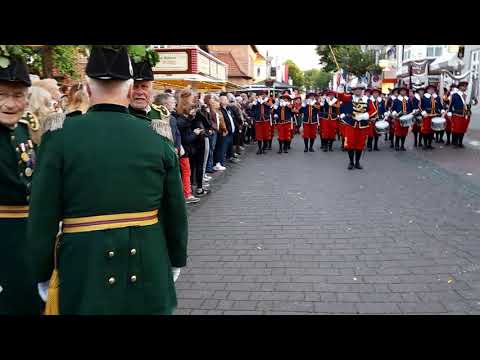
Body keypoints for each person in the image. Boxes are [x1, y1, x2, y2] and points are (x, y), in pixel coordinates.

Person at [27, 45, 188, 315]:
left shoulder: (59, 136)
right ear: (128, 90)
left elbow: (42, 215)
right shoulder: (157, 136)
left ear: (88, 90)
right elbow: (175, 209)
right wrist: (175, 258)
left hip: (83, 264)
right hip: (149, 259)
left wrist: (42, 271)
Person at [0, 50, 44, 315]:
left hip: (27, 241)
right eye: (2, 95)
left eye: (17, 95)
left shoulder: (23, 129)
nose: (10, 104)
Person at [176, 88, 210, 197]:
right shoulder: (194, 110)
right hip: (196, 140)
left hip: (189, 142)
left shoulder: (178, 110)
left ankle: (190, 188)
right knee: (198, 165)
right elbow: (207, 123)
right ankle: (198, 188)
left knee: (190, 167)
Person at [337, 84, 375, 169]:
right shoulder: (350, 98)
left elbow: (373, 110)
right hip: (351, 124)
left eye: (359, 89)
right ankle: (351, 162)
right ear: (353, 91)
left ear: (362, 90)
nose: (357, 91)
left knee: (360, 144)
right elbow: (341, 96)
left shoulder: (368, 100)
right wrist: (340, 88)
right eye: (355, 89)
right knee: (350, 144)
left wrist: (365, 115)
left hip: (362, 125)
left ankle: (357, 162)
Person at [421, 84, 444, 150]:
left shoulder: (437, 97)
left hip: (435, 116)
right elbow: (420, 106)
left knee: (432, 131)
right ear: (427, 90)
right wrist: (423, 112)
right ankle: (425, 144)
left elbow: (440, 105)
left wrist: (442, 111)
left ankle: (429, 144)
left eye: (432, 89)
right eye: (430, 89)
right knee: (426, 130)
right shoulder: (423, 97)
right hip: (427, 116)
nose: (431, 90)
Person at [448, 81, 470, 148]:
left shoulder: (467, 95)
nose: (465, 87)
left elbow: (468, 105)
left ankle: (460, 142)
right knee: (456, 129)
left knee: (463, 129)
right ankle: (455, 143)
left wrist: (468, 112)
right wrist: (449, 113)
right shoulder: (454, 95)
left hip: (465, 115)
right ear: (460, 87)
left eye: (466, 86)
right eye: (464, 86)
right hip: (457, 114)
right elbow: (450, 105)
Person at [391, 86, 414, 151]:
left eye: (404, 91)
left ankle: (402, 145)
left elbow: (411, 108)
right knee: (398, 132)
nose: (403, 92)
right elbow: (393, 109)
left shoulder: (408, 100)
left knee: (404, 133)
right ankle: (397, 144)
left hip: (406, 118)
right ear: (399, 92)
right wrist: (396, 113)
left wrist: (408, 112)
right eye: (401, 91)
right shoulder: (396, 100)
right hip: (398, 118)